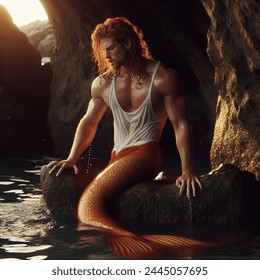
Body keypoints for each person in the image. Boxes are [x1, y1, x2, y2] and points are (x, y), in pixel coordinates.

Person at [47, 17, 204, 258]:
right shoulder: (103, 84)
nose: (106, 55)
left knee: (88, 205)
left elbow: (181, 124)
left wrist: (188, 170)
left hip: (146, 155)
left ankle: (133, 241)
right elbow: (89, 122)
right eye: (103, 50)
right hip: (118, 157)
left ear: (129, 44)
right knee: (80, 185)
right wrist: (71, 158)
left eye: (111, 48)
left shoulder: (163, 78)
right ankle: (140, 226)